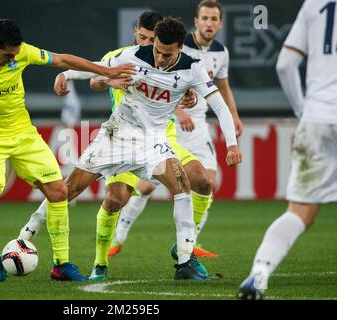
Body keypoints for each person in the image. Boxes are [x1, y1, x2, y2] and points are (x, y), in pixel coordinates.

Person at [0, 18, 135, 282]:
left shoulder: (23, 52)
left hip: (24, 136)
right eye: (7, 55)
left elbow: (62, 60)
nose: (12, 59)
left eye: (15, 55)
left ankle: (61, 264)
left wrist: (105, 71)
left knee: (59, 191)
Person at [23, 17, 242, 281]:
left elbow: (218, 106)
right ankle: (26, 235)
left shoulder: (193, 69)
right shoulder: (135, 55)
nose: (159, 57)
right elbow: (98, 69)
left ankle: (185, 260)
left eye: (167, 53)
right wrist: (66, 74)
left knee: (182, 186)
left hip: (154, 142)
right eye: (157, 50)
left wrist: (231, 144)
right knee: (70, 189)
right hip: (117, 136)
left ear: (180, 49)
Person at [109, 0, 243, 260]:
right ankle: (119, 237)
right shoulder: (175, 45)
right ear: (196, 20)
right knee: (148, 186)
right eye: (205, 18)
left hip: (200, 126)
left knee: (206, 183)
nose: (209, 23)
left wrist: (234, 116)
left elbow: (222, 86)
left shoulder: (221, 52)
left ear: (220, 23)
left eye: (214, 19)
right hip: (170, 124)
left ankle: (189, 243)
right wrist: (179, 111)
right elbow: (165, 83)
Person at [238, 0, 337, 299]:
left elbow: (285, 64)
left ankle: (260, 272)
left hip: (317, 117)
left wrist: (302, 110)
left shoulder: (315, 4)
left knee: (300, 212)